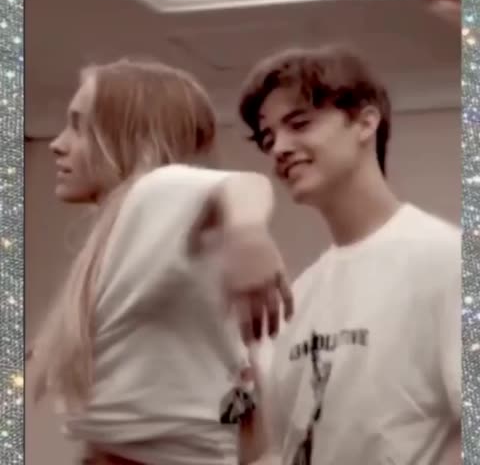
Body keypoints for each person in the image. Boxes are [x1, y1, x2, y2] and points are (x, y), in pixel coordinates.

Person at [30, 59, 293, 465]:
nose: (57, 143)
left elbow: (241, 186)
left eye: (79, 126)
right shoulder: (139, 233)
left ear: (130, 137)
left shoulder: (154, 191)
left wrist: (248, 236)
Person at [237, 45, 461, 465]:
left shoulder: (448, 260)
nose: (279, 148)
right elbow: (278, 447)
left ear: (365, 122)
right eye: (268, 138)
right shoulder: (300, 294)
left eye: (299, 124)